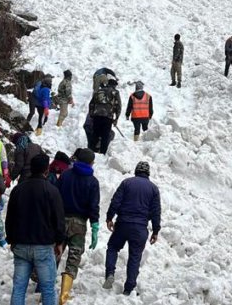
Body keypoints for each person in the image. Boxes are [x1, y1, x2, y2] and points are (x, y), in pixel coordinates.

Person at [6, 153, 66, 305]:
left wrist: (11, 239)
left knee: (19, 288)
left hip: (20, 245)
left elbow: (10, 218)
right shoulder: (52, 191)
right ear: (46, 170)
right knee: (47, 288)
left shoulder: (18, 190)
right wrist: (59, 241)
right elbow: (59, 220)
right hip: (44, 246)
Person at [103, 161, 161, 296]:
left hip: (123, 224)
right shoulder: (153, 189)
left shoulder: (126, 183)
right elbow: (156, 211)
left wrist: (109, 217)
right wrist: (156, 231)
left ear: (136, 171)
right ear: (148, 173)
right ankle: (128, 288)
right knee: (135, 257)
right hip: (140, 228)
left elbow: (115, 201)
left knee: (112, 247)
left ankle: (110, 273)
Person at [56, 148, 101, 303]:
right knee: (73, 258)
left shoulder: (66, 175)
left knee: (55, 253)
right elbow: (94, 206)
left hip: (61, 221)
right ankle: (64, 295)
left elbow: (56, 195)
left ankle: (44, 287)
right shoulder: (93, 182)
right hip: (79, 224)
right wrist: (95, 226)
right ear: (91, 162)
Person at [88, 75, 121, 154]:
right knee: (105, 136)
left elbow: (91, 103)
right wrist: (116, 118)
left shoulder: (99, 91)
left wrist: (91, 114)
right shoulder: (115, 92)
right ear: (114, 85)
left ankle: (92, 151)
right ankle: (102, 152)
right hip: (107, 117)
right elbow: (118, 106)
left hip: (97, 116)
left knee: (95, 134)